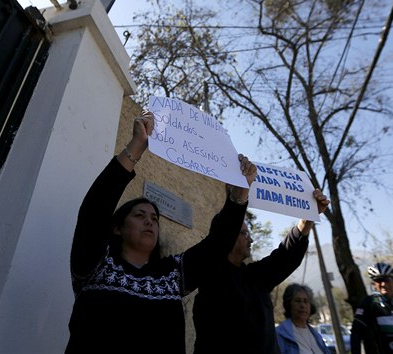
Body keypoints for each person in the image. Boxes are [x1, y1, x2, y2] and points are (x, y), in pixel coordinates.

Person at [65, 110, 258, 354]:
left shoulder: (172, 276)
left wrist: (239, 195)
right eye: (139, 215)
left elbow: (216, 246)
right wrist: (136, 146)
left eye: (154, 218)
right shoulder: (95, 265)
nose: (150, 222)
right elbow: (94, 210)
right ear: (116, 228)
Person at [191, 185, 330, 354]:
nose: (251, 240)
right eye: (244, 234)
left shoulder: (255, 276)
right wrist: (238, 197)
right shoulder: (211, 276)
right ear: (229, 236)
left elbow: (284, 257)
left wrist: (307, 219)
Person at [276, 283, 331, 354]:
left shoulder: (317, 336)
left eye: (306, 301)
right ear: (289, 304)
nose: (302, 305)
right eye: (298, 301)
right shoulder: (279, 335)